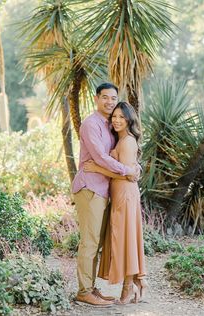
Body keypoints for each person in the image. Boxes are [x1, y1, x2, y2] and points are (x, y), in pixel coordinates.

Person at [72, 83, 138, 307]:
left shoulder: (109, 125)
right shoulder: (91, 124)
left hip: (103, 190)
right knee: (89, 242)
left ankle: (90, 288)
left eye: (113, 98)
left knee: (96, 241)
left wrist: (133, 166)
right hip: (90, 187)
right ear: (96, 99)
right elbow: (100, 157)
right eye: (105, 98)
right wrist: (128, 171)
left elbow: (122, 152)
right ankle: (84, 291)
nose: (110, 102)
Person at [83, 101, 147, 305]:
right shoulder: (119, 140)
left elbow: (127, 175)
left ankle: (128, 288)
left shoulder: (127, 142)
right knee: (124, 238)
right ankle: (134, 284)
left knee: (126, 240)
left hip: (126, 195)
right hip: (119, 194)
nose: (117, 120)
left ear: (129, 119)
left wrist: (98, 169)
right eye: (115, 117)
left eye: (122, 117)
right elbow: (128, 171)